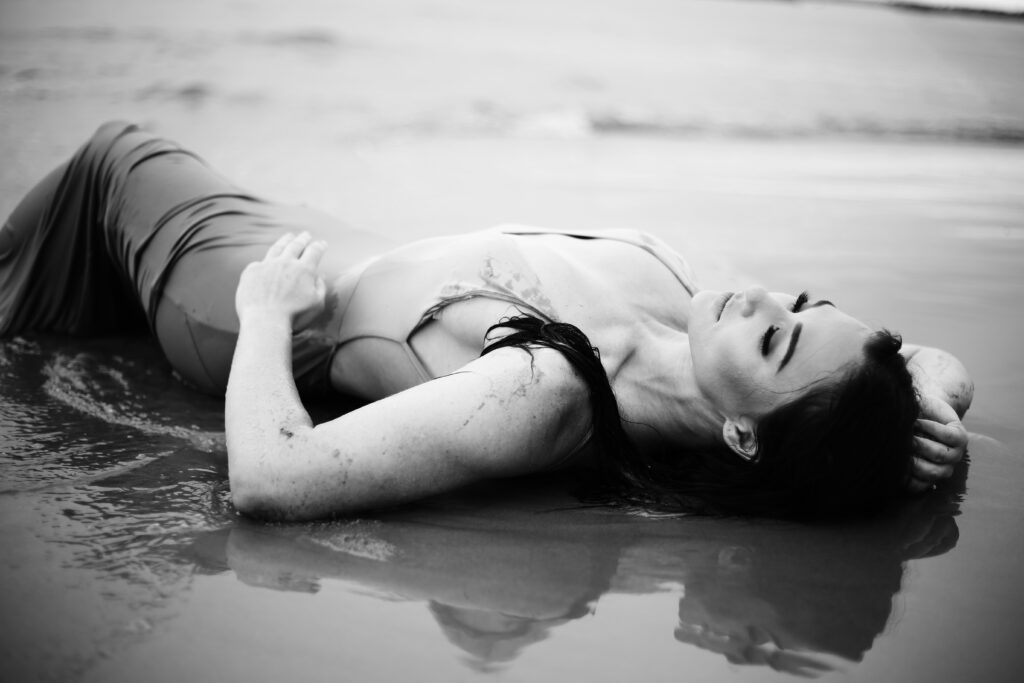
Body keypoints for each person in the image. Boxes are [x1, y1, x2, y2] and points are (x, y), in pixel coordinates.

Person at [0, 122, 972, 521]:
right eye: (798, 303)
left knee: (110, 158)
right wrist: (927, 391)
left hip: (242, 292)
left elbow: (271, 478)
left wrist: (262, 318)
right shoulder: (704, 317)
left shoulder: (546, 391)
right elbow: (909, 359)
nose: (763, 301)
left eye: (775, 336)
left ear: (741, 432)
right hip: (313, 238)